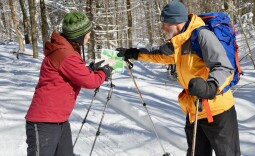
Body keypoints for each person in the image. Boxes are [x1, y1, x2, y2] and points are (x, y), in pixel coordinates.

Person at [116, 1, 240, 156]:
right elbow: (160, 55)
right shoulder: (179, 41)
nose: (162, 28)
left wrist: (211, 86)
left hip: (218, 110)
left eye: (165, 23)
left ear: (176, 22)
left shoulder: (202, 36)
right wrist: (135, 53)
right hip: (194, 109)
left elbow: (224, 67)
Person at [25, 11, 113, 156]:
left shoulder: (65, 51)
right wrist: (104, 72)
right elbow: (90, 81)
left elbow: (70, 72)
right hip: (44, 122)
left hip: (59, 120)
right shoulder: (65, 54)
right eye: (88, 33)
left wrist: (90, 69)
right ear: (78, 35)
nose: (89, 36)